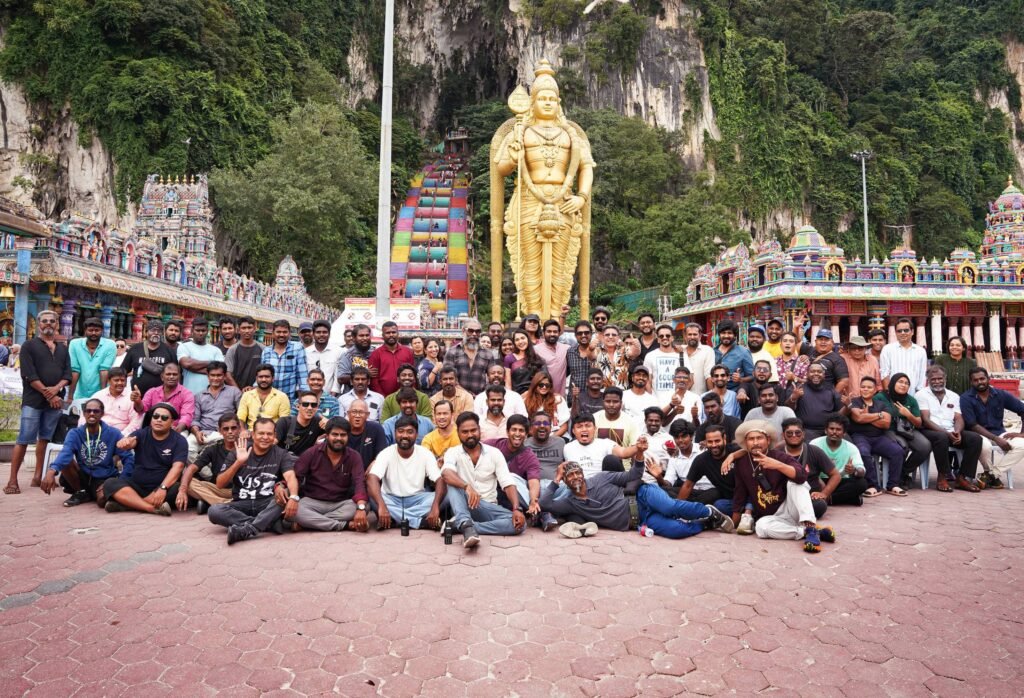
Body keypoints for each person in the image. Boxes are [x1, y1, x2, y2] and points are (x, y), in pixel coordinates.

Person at [729, 420, 834, 553]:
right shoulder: (742, 463)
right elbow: (740, 492)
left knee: (796, 483)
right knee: (761, 528)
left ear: (768, 440)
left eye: (759, 438)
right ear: (746, 442)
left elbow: (802, 475)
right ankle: (806, 532)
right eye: (751, 439)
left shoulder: (779, 456)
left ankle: (811, 527)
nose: (755, 442)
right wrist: (734, 523)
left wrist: (778, 465)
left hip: (790, 508)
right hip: (772, 516)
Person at [441, 412, 526, 547]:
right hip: (464, 504)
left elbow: (508, 483)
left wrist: (517, 509)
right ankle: (465, 523)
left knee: (519, 524)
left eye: (473, 430)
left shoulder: (494, 453)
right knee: (452, 480)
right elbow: (446, 473)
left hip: (487, 506)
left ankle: (464, 526)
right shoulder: (453, 452)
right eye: (465, 432)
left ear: (479, 430)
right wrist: (467, 486)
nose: (470, 435)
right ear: (458, 433)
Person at [208, 418, 299, 544]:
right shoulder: (238, 451)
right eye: (261, 433)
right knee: (214, 511)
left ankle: (249, 529)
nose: (265, 437)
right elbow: (220, 484)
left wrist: (294, 497)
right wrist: (238, 462)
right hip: (241, 503)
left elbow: (290, 477)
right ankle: (267, 523)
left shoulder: (281, 454)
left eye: (269, 434)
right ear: (253, 434)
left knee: (285, 495)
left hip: (267, 503)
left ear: (274, 435)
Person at [41, 398, 134, 507]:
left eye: (96, 411)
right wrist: (52, 471)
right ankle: (81, 492)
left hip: (104, 477)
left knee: (102, 501)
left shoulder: (113, 433)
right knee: (67, 461)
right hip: (82, 476)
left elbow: (128, 457)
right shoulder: (75, 433)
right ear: (84, 413)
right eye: (88, 411)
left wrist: (121, 480)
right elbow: (65, 453)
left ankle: (99, 496)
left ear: (102, 414)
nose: (92, 413)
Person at [288, 417, 374, 532]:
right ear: (327, 435)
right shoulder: (312, 453)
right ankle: (344, 525)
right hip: (312, 502)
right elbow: (296, 476)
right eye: (335, 434)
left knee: (365, 507)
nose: (339, 438)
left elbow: (360, 482)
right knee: (296, 510)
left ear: (348, 436)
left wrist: (361, 507)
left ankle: (308, 523)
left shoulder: (354, 456)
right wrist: (284, 488)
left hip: (340, 503)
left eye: (343, 435)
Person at [104, 403, 187, 516]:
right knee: (110, 483)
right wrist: (125, 443)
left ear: (172, 422)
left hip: (162, 486)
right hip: (137, 486)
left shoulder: (180, 440)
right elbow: (131, 442)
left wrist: (162, 488)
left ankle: (128, 504)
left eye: (164, 418)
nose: (159, 420)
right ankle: (151, 508)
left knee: (177, 488)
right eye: (155, 416)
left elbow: (178, 467)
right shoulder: (141, 433)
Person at [367, 415, 447, 531]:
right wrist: (382, 505)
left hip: (418, 500)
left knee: (448, 496)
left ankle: (394, 520)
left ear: (416, 434)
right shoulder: (386, 453)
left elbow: (440, 480)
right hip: (390, 499)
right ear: (395, 433)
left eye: (410, 432)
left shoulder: (425, 453)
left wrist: (435, 506)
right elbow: (372, 478)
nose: (405, 435)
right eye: (401, 431)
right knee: (372, 497)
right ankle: (420, 522)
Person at [916, 365, 983, 492]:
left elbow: (958, 417)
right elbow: (926, 419)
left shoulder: (954, 396)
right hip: (929, 430)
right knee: (942, 437)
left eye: (939, 378)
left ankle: (962, 477)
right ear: (928, 380)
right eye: (933, 379)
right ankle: (943, 476)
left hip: (950, 430)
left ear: (945, 378)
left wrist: (957, 431)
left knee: (975, 439)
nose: (937, 381)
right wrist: (947, 433)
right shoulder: (921, 395)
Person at [541, 458, 648, 538]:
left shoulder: (601, 478)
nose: (575, 477)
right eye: (570, 475)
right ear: (564, 481)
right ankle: (582, 526)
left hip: (643, 498)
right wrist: (557, 479)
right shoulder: (570, 502)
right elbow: (544, 504)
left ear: (583, 474)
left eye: (578, 473)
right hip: (639, 520)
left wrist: (639, 454)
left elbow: (632, 475)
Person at [485, 415, 558, 530]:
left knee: (511, 478)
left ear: (527, 434)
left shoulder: (530, 456)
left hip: (513, 497)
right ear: (507, 432)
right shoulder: (493, 445)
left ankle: (536, 510)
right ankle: (542, 514)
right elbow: (473, 449)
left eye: (521, 431)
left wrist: (533, 500)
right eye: (514, 430)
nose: (517, 434)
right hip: (491, 491)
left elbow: (533, 482)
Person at [961, 366, 1024, 489]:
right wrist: (995, 439)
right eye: (975, 380)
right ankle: (992, 477)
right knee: (984, 445)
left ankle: (992, 474)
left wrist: (1022, 433)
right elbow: (972, 425)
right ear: (971, 382)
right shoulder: (965, 398)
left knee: (1022, 444)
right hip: (978, 435)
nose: (980, 382)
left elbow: (1023, 410)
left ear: (988, 379)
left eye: (982, 379)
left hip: (999, 432)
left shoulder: (1000, 394)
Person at [848, 376, 906, 497]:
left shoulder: (881, 404)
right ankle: (872, 485)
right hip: (860, 436)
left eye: (869, 387)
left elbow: (886, 424)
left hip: (879, 437)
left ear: (875, 390)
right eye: (863, 387)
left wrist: (867, 416)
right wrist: (879, 415)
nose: (865, 389)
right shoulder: (854, 402)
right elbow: (858, 418)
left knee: (898, 451)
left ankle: (892, 485)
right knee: (863, 452)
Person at [876, 372, 934, 492]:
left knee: (925, 446)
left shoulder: (911, 400)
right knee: (903, 446)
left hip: (907, 429)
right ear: (893, 383)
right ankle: (897, 478)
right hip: (888, 429)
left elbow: (918, 423)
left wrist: (908, 415)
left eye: (907, 383)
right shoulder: (881, 397)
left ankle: (903, 472)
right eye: (900, 382)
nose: (903, 385)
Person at [675, 424, 741, 522]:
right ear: (705, 442)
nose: (714, 445)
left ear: (724, 438)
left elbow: (749, 450)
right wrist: (677, 510)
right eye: (710, 442)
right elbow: (688, 485)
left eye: (717, 441)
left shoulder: (735, 449)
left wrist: (733, 456)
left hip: (748, 497)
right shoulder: (702, 460)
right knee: (719, 505)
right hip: (729, 501)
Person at [181, 414, 243, 514]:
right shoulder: (213, 447)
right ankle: (225, 504)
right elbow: (192, 468)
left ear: (239, 429)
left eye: (233, 428)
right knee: (188, 483)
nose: (230, 432)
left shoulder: (248, 446)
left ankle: (210, 502)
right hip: (218, 489)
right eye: (226, 429)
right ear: (219, 431)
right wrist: (182, 490)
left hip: (242, 490)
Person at [778, 417, 839, 519]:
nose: (794, 435)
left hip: (808, 497)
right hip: (784, 497)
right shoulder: (777, 453)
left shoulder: (815, 451)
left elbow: (835, 475)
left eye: (798, 433)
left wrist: (824, 493)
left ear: (803, 434)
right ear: (783, 435)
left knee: (819, 506)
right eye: (789, 433)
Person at [809, 414, 870, 506]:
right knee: (807, 482)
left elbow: (861, 470)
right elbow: (808, 469)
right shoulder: (814, 444)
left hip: (841, 481)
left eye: (838, 429)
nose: (834, 432)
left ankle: (828, 499)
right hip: (819, 480)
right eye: (831, 428)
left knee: (861, 483)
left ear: (844, 433)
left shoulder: (851, 448)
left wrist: (854, 470)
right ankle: (849, 499)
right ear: (826, 430)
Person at [563, 412, 649, 476]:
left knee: (611, 459)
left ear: (595, 428)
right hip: (577, 486)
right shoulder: (567, 447)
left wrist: (637, 447)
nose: (584, 429)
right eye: (579, 427)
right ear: (573, 431)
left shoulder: (605, 443)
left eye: (588, 426)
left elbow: (623, 453)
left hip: (602, 485)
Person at [187, 361, 241, 461]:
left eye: (219, 375)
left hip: (224, 432)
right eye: (212, 375)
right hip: (203, 433)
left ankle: (210, 469)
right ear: (208, 376)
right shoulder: (199, 396)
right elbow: (195, 420)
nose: (215, 378)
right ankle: (207, 471)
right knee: (186, 447)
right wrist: (197, 432)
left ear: (224, 376)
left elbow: (241, 415)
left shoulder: (234, 392)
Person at [786, 364, 845, 443]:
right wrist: (793, 398)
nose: (816, 374)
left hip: (829, 430)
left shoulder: (831, 389)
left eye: (819, 372)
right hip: (807, 430)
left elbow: (840, 413)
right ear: (807, 374)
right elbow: (788, 409)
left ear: (824, 375)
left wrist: (848, 405)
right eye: (812, 371)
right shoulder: (798, 388)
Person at [122, 320, 176, 397]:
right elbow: (123, 370)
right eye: (153, 330)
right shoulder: (135, 349)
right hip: (138, 396)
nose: (156, 333)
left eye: (159, 331)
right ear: (146, 332)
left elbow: (176, 372)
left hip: (162, 396)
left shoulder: (169, 350)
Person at [68, 317, 116, 403]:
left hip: (100, 393)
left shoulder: (110, 345)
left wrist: (103, 396)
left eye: (97, 330)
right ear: (85, 331)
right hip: (80, 394)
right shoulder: (74, 344)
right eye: (90, 330)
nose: (93, 333)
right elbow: (75, 370)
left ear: (102, 331)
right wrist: (70, 397)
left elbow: (104, 370)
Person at [136, 363, 194, 433]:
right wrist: (137, 401)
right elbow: (141, 410)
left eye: (175, 374)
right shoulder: (152, 392)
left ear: (179, 377)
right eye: (168, 374)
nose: (171, 377)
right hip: (154, 429)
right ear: (162, 377)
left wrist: (177, 431)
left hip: (177, 430)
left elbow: (186, 416)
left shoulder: (187, 394)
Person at [81, 367, 141, 434]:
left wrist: (122, 436)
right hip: (97, 434)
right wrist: (85, 432)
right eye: (116, 380)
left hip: (122, 436)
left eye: (122, 380)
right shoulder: (98, 396)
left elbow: (136, 422)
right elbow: (84, 416)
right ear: (109, 381)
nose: (120, 383)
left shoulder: (132, 397)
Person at [446, 321, 498, 395]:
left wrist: (482, 396)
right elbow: (447, 376)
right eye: (470, 331)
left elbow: (493, 378)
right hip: (457, 397)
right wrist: (467, 395)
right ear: (463, 331)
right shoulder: (452, 352)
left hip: (480, 398)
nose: (474, 334)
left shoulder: (488, 354)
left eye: (477, 331)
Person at [261, 319, 309, 398]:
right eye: (278, 332)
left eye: (285, 332)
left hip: (289, 398)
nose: (281, 335)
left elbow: (303, 376)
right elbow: (262, 375)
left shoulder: (297, 348)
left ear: (289, 334)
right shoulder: (266, 351)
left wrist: (304, 398)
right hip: (269, 398)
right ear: (273, 333)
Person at [176, 317, 225, 395]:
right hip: (189, 395)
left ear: (207, 331)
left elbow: (219, 372)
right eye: (197, 330)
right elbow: (187, 364)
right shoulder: (184, 347)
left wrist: (192, 369)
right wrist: (212, 363)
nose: (200, 333)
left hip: (212, 396)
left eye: (203, 330)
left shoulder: (216, 350)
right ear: (192, 331)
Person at [237, 364, 292, 431]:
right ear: (256, 378)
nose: (264, 379)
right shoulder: (247, 395)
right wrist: (242, 431)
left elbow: (284, 421)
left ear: (273, 378)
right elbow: (240, 417)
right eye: (261, 377)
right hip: (251, 433)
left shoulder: (282, 396)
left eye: (267, 377)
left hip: (272, 433)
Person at [880, 317, 928, 392]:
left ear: (912, 332)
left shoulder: (921, 351)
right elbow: (884, 373)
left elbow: (922, 375)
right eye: (899, 331)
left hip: (914, 394)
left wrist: (919, 393)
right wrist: (889, 393)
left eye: (906, 330)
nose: (902, 333)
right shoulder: (887, 349)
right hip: (893, 394)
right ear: (896, 333)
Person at [368, 321, 414, 397]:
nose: (391, 335)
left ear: (398, 334)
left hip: (405, 396)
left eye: (393, 332)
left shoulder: (408, 352)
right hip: (383, 397)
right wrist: (382, 397)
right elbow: (374, 379)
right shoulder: (376, 354)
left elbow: (412, 375)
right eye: (388, 333)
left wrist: (409, 393)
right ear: (383, 335)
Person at [276, 390, 327, 455]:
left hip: (307, 459)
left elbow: (337, 432)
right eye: (305, 404)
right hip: (284, 459)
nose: (310, 408)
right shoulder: (285, 422)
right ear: (298, 407)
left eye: (313, 405)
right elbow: (272, 443)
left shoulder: (318, 422)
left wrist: (329, 423)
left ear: (317, 407)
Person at [522, 371, 570, 437]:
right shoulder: (526, 400)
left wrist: (551, 439)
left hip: (557, 436)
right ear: (535, 385)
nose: (544, 387)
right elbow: (525, 426)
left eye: (547, 385)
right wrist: (540, 438)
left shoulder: (558, 399)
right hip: (535, 437)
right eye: (541, 385)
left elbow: (564, 426)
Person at [346, 399, 388, 473]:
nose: (357, 416)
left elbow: (383, 454)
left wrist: (376, 462)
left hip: (368, 472)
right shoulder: (342, 428)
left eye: (361, 412)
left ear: (367, 415)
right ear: (348, 414)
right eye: (354, 412)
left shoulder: (376, 428)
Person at [643, 324, 682, 402]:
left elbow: (689, 379)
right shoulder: (650, 355)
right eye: (661, 336)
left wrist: (680, 396)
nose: (664, 338)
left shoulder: (681, 355)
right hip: (656, 401)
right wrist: (651, 398)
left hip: (677, 400)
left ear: (672, 338)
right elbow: (647, 380)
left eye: (668, 335)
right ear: (658, 339)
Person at [525, 410, 567, 483]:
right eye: (538, 423)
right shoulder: (524, 445)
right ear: (531, 428)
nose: (542, 426)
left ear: (550, 427)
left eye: (546, 423)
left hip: (558, 485)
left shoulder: (560, 443)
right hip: (532, 486)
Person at [224, 316, 263, 390]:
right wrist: (238, 391)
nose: (247, 331)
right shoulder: (233, 350)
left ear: (255, 329)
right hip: (236, 391)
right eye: (244, 328)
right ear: (238, 330)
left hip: (257, 391)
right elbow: (227, 374)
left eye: (249, 327)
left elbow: (266, 372)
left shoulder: (262, 348)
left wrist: (254, 389)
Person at [714, 320, 753, 392]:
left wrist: (741, 379)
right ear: (719, 334)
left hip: (735, 394)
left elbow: (752, 376)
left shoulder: (743, 352)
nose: (726, 336)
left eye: (729, 333)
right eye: (723, 333)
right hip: (715, 394)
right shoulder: (712, 352)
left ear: (735, 335)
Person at [504, 329, 546, 394]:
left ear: (528, 339)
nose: (520, 342)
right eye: (517, 340)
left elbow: (543, 379)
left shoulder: (537, 358)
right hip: (517, 395)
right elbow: (508, 383)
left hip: (534, 394)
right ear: (514, 343)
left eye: (522, 338)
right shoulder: (509, 358)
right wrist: (510, 397)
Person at [534, 320, 569, 395]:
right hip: (542, 394)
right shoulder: (536, 350)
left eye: (555, 332)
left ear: (559, 333)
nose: (552, 334)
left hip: (560, 396)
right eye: (549, 331)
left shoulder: (566, 349)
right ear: (543, 333)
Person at [809, 329, 849, 394]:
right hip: (808, 395)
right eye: (820, 339)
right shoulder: (810, 353)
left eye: (826, 340)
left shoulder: (837, 359)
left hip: (824, 396)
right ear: (816, 341)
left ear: (832, 343)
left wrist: (832, 396)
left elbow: (844, 381)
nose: (823, 342)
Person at [304, 320, 340, 395]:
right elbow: (303, 375)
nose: (321, 335)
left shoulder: (338, 351)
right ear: (313, 334)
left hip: (330, 395)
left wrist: (333, 393)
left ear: (329, 334)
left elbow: (337, 375)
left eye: (324, 332)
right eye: (318, 332)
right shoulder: (305, 352)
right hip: (309, 395)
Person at [336, 324, 373, 393]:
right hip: (351, 396)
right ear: (354, 338)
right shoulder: (348, 355)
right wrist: (366, 374)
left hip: (372, 395)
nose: (365, 338)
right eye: (361, 336)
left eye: (367, 335)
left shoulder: (375, 353)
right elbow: (341, 378)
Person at [566, 321, 595, 403]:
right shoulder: (570, 352)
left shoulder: (598, 351)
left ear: (591, 334)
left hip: (593, 398)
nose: (583, 335)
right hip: (574, 398)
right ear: (575, 335)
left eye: (586, 333)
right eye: (580, 333)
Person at [682, 322, 715, 394]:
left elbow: (709, 376)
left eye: (695, 334)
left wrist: (712, 395)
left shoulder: (707, 351)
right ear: (685, 336)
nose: (692, 337)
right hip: (680, 395)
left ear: (700, 336)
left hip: (700, 396)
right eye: (689, 334)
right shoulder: (680, 350)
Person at [594, 325, 630, 389]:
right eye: (607, 335)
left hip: (623, 393)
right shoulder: (596, 350)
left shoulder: (625, 350)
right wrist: (590, 348)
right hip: (602, 392)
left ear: (618, 337)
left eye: (614, 335)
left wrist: (636, 345)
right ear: (602, 337)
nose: (610, 337)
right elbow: (590, 354)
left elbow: (635, 353)